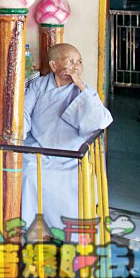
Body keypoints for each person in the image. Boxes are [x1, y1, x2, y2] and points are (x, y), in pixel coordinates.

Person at [20, 43, 113, 232]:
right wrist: (17, 133)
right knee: (28, 174)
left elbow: (100, 121)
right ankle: (33, 232)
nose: (76, 66)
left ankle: (70, 234)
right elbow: (24, 114)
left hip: (71, 155)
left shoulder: (84, 91)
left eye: (79, 61)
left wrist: (79, 85)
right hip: (39, 150)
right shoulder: (39, 85)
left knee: (75, 184)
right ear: (54, 66)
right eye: (70, 61)